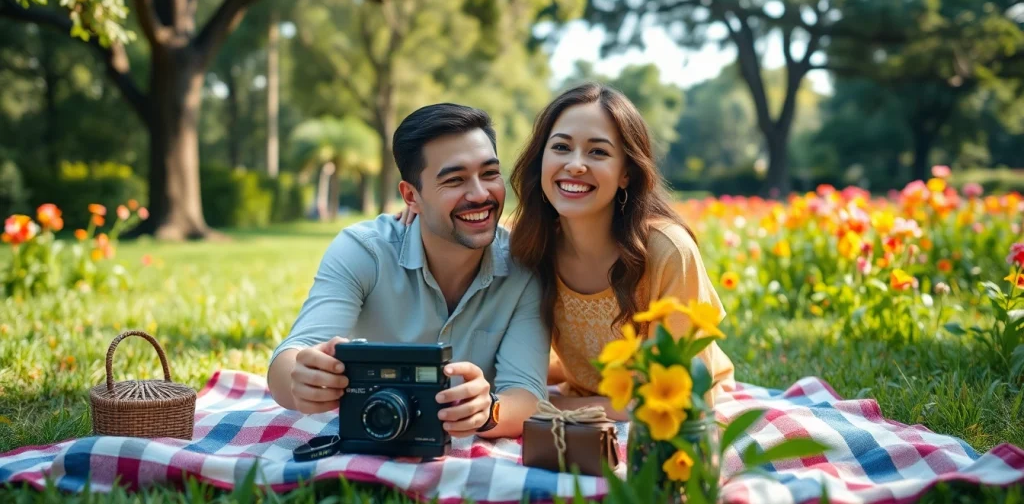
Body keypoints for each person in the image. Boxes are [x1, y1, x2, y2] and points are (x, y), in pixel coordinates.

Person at [397, 83, 735, 420]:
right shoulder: (528, 245)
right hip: (581, 395)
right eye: (561, 147)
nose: (575, 165)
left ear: (626, 173)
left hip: (669, 414)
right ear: (541, 160)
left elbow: (685, 399)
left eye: (598, 152)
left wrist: (542, 407)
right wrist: (425, 209)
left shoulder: (667, 253)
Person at [268, 103, 550, 440]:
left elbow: (528, 396)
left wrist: (488, 411)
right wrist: (301, 380)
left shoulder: (524, 267)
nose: (480, 194)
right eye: (455, 179)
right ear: (411, 196)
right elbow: (292, 356)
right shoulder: (363, 251)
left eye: (489, 174)